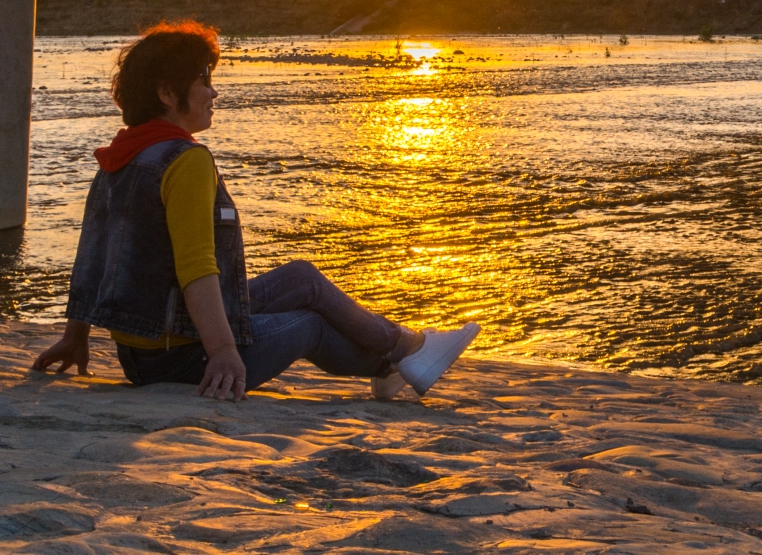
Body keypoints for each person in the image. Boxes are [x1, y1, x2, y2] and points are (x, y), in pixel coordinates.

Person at [31, 21, 477, 399]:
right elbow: (197, 270)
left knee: (302, 278)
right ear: (168, 93)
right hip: (186, 359)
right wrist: (223, 351)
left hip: (140, 355)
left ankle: (406, 349)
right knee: (309, 324)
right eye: (204, 81)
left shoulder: (120, 156)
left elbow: (94, 255)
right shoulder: (185, 161)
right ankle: (392, 365)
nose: (213, 92)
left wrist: (76, 337)